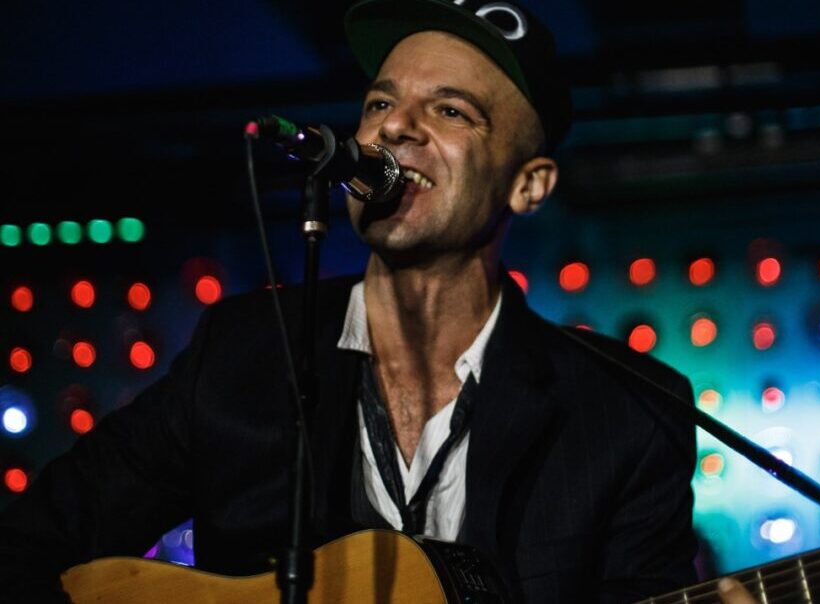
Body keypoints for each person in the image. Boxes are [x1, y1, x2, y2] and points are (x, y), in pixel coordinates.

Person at [0, 0, 721, 601]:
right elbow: (33, 540)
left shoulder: (627, 410)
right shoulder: (243, 352)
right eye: (380, 101)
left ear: (527, 185)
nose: (393, 128)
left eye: (450, 110)